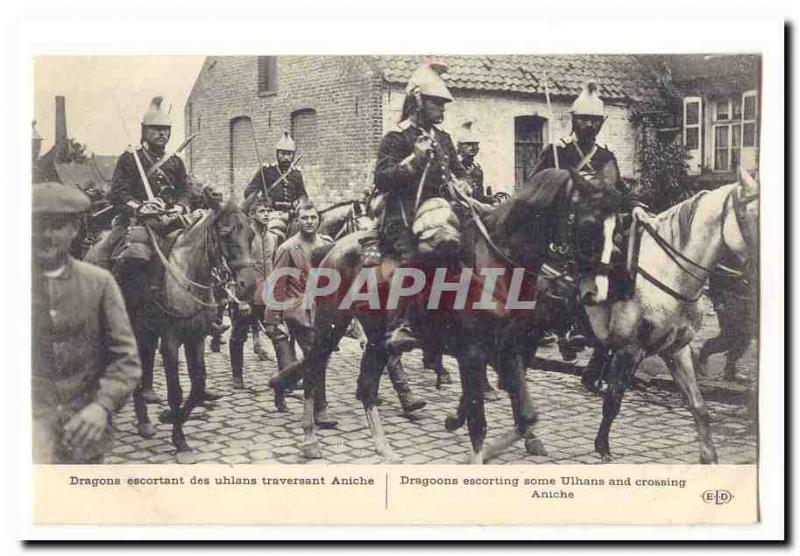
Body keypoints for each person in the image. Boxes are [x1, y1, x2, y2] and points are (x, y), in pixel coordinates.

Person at [530, 81, 644, 361]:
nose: (590, 125)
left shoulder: (605, 155)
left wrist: (636, 206)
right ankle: (566, 329)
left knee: (621, 261)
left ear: (602, 123)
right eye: (584, 119)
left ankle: (612, 325)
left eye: (595, 120)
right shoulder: (557, 151)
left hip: (597, 226)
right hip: (563, 224)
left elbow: (620, 191)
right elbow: (534, 186)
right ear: (573, 120)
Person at [32, 182, 141, 463]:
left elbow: (125, 359)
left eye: (57, 226)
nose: (46, 235)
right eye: (37, 225)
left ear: (74, 229)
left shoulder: (99, 283)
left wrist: (102, 407)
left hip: (84, 433)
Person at [373, 61, 469, 355]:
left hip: (440, 211)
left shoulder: (443, 138)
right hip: (401, 211)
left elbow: (458, 170)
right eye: (437, 103)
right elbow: (382, 178)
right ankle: (400, 324)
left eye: (443, 104)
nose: (442, 110)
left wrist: (464, 184)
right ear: (418, 101)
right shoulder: (396, 137)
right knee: (411, 256)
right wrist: (413, 158)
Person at [105, 96, 194, 403]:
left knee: (202, 250)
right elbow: (117, 193)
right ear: (144, 131)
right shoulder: (130, 159)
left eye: (166, 130)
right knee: (130, 256)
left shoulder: (175, 162)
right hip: (138, 222)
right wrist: (140, 206)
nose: (162, 135)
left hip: (169, 223)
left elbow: (186, 190)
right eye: (156, 130)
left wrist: (179, 207)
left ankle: (213, 303)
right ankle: (122, 302)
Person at [264, 202, 337, 427]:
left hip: (323, 309)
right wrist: (273, 319)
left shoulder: (328, 244)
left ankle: (282, 382)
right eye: (305, 218)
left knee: (315, 357)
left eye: (313, 217)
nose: (310, 222)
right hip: (298, 310)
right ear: (297, 220)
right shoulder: (288, 248)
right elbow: (277, 283)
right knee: (317, 357)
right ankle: (320, 409)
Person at [229, 201, 274, 389]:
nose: (266, 214)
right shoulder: (244, 237)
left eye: (268, 211)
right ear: (252, 214)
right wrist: (241, 298)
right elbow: (235, 268)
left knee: (277, 333)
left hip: (267, 294)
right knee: (239, 335)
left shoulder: (272, 237)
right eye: (262, 211)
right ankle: (237, 375)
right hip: (246, 294)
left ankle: (287, 375)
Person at [244, 131, 308, 212]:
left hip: (291, 212)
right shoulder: (266, 171)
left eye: (289, 154)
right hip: (270, 212)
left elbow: (302, 195)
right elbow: (249, 192)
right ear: (277, 154)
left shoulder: (296, 174)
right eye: (283, 154)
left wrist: (299, 202)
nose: (286, 157)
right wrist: (261, 202)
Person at [456, 120, 493, 204]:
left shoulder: (477, 170)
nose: (473, 147)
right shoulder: (454, 167)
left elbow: (479, 197)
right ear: (459, 146)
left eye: (476, 144)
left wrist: (490, 199)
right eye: (469, 144)